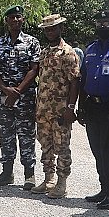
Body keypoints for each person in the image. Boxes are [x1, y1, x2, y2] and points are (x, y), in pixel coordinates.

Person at [76, 11, 109, 210]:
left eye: (107, 22)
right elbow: (83, 79)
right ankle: (104, 189)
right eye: (100, 23)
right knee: (97, 149)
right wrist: (81, 106)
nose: (103, 26)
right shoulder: (91, 49)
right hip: (92, 106)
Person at [0, 5, 40, 188]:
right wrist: (4, 89)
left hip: (25, 98)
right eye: (12, 17)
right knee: (6, 135)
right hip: (3, 98)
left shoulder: (32, 42)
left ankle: (29, 175)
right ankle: (7, 173)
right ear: (7, 21)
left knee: (26, 135)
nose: (15, 20)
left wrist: (17, 91)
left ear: (23, 19)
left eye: (18, 17)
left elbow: (34, 69)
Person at [31, 14, 80, 198]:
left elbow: (75, 81)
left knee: (62, 147)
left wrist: (70, 108)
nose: (50, 32)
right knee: (45, 146)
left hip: (60, 110)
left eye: (53, 28)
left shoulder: (68, 53)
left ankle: (61, 183)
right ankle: (48, 179)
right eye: (47, 29)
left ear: (61, 29)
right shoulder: (44, 52)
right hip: (43, 109)